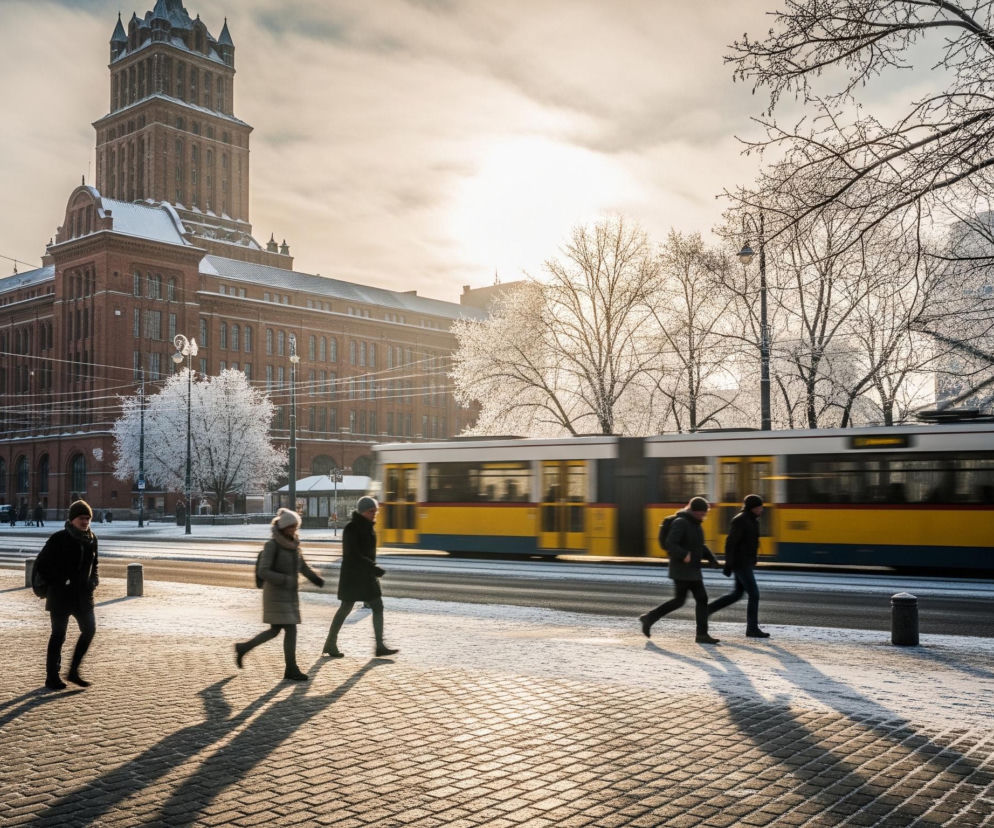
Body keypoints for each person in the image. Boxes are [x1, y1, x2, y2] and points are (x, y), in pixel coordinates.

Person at [234, 508, 325, 681]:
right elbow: (263, 571)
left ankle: (243, 648)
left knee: (275, 631)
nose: (293, 530)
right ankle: (291, 669)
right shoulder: (272, 545)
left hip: (288, 596)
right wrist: (285, 579)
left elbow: (302, 567)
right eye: (291, 527)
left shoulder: (294, 545)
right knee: (290, 630)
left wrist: (316, 580)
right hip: (275, 595)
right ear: (283, 527)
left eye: (295, 527)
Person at [322, 496, 398, 658]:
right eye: (371, 511)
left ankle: (379, 645)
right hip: (353, 576)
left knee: (377, 607)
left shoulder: (369, 527)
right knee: (346, 608)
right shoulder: (352, 528)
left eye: (375, 511)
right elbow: (352, 555)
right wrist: (373, 568)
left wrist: (372, 569)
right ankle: (330, 643)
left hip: (366, 576)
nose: (374, 514)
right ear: (363, 511)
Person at [639, 496, 721, 644]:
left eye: (705, 514)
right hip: (682, 569)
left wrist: (711, 558)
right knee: (686, 600)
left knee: (694, 599)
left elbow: (700, 545)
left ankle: (701, 634)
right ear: (693, 511)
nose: (704, 516)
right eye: (702, 513)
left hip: (692, 569)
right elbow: (671, 543)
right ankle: (650, 618)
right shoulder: (681, 522)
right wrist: (684, 554)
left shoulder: (695, 524)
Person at [35, 500, 99, 690]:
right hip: (61, 596)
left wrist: (93, 581)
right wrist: (61, 580)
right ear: (72, 520)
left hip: (83, 596)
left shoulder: (91, 539)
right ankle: (52, 677)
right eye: (82, 518)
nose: (85, 522)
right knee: (58, 635)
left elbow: (95, 564)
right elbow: (42, 565)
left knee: (89, 630)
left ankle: (73, 671)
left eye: (88, 518)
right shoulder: (59, 538)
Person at [708, 494, 770, 638]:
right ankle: (752, 628)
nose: (762, 509)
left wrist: (753, 558)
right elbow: (730, 543)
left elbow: (751, 542)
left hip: (746, 562)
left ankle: (708, 609)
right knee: (754, 594)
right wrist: (729, 564)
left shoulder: (753, 520)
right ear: (753, 507)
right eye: (760, 507)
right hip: (740, 563)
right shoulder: (740, 520)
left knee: (737, 594)